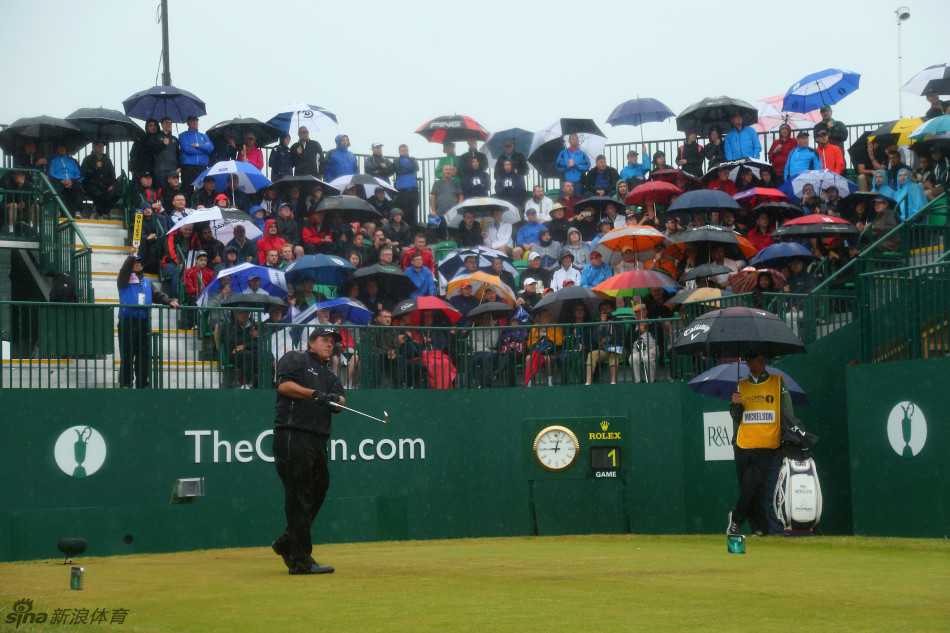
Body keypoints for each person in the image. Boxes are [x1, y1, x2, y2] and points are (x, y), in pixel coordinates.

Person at [271, 327, 345, 575]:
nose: (329, 345)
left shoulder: (329, 374)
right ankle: (301, 559)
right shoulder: (296, 358)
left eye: (332, 342)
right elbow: (284, 386)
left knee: (319, 487)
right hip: (293, 433)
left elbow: (341, 400)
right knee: (299, 494)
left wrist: (334, 400)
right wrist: (314, 394)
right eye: (325, 340)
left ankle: (288, 541)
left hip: (317, 440)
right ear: (311, 342)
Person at [727, 349, 801, 537]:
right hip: (744, 444)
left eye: (759, 360)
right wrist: (735, 403)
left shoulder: (777, 383)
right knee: (748, 487)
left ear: (763, 361)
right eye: (751, 361)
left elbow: (788, 412)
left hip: (769, 443)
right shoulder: (741, 385)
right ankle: (758, 528)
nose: (755, 364)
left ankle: (736, 519)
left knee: (756, 486)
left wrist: (789, 435)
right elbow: (736, 417)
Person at [117, 251, 180, 388]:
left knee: (143, 355)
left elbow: (158, 295)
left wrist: (169, 301)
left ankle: (142, 383)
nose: (138, 264)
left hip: (143, 322)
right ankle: (125, 384)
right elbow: (124, 269)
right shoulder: (123, 279)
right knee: (127, 356)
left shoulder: (146, 281)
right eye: (135, 262)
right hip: (127, 322)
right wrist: (131, 256)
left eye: (139, 262)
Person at [585, 302, 623, 385]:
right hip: (602, 350)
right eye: (602, 309)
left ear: (612, 309)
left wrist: (609, 339)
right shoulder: (596, 321)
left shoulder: (617, 320)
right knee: (591, 355)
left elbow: (620, 336)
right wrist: (602, 323)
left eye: (607, 308)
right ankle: (588, 382)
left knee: (614, 354)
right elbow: (594, 338)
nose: (605, 310)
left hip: (615, 349)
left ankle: (613, 381)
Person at [80, 141, 117, 218]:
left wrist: (112, 185)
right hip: (91, 184)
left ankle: (103, 212)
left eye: (102, 146)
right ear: (94, 147)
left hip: (105, 185)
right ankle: (100, 213)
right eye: (99, 146)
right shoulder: (87, 159)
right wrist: (95, 169)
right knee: (98, 193)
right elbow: (83, 173)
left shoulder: (107, 160)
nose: (101, 148)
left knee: (112, 194)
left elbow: (112, 175)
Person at [179, 115, 214, 194]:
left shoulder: (203, 135)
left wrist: (199, 146)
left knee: (202, 189)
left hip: (202, 166)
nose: (195, 122)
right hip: (188, 166)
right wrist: (204, 150)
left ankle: (201, 205)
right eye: (192, 121)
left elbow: (211, 148)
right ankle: (187, 205)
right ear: (188, 123)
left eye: (196, 121)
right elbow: (187, 149)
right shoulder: (182, 135)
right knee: (187, 189)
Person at [47, 143, 83, 212]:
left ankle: (77, 211)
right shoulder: (53, 161)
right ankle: (61, 212)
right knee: (59, 190)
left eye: (63, 148)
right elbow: (51, 174)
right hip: (58, 182)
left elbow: (79, 174)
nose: (62, 150)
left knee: (78, 189)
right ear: (57, 150)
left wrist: (71, 181)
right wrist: (61, 180)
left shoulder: (73, 161)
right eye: (60, 148)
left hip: (72, 181)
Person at [394, 145, 420, 225]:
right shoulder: (396, 160)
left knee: (413, 214)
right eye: (402, 150)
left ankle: (413, 232)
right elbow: (399, 169)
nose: (404, 152)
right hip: (402, 192)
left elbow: (416, 168)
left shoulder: (413, 159)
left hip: (413, 191)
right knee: (403, 213)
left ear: (408, 150)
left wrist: (406, 168)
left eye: (405, 150)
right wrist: (409, 168)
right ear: (399, 151)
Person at [152, 117, 180, 185]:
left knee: (172, 191)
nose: (168, 124)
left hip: (173, 170)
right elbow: (153, 151)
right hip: (160, 170)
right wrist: (162, 144)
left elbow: (178, 154)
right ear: (162, 125)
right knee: (162, 191)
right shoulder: (156, 137)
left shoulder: (175, 139)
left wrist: (179, 167)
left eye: (170, 123)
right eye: (166, 123)